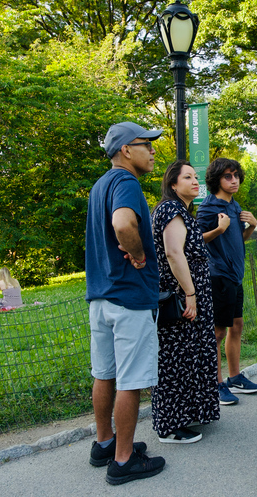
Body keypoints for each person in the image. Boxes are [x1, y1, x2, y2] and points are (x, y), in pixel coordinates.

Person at [85, 121, 165, 485]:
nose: (152, 150)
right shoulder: (126, 182)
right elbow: (122, 224)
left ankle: (104, 444)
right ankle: (123, 460)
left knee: (104, 374)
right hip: (129, 297)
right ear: (125, 150)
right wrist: (138, 255)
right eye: (145, 144)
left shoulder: (99, 185)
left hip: (101, 297)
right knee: (131, 380)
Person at [151, 160, 220, 444]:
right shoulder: (170, 209)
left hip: (191, 295)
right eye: (187, 177)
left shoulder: (181, 211)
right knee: (175, 358)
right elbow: (173, 254)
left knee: (190, 355)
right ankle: (169, 426)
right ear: (173, 183)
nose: (195, 181)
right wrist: (190, 294)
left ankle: (188, 413)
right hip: (181, 298)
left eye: (196, 177)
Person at [196, 157, 257, 406]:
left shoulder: (234, 207)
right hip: (218, 276)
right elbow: (195, 240)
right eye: (227, 176)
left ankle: (235, 377)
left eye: (235, 175)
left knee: (237, 326)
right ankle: (217, 384)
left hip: (235, 276)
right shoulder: (208, 208)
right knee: (217, 332)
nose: (233, 180)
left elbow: (238, 240)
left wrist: (252, 227)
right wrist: (219, 229)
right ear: (217, 180)